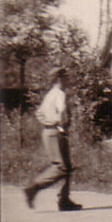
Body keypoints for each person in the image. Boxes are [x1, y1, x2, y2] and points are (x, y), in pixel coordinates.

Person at [24, 67, 82, 211]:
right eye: (66, 77)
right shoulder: (60, 94)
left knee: (67, 166)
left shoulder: (49, 94)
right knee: (61, 167)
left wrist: (48, 122)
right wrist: (62, 124)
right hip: (56, 132)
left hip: (48, 131)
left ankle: (64, 200)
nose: (68, 80)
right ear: (59, 79)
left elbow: (39, 113)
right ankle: (34, 187)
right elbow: (63, 114)